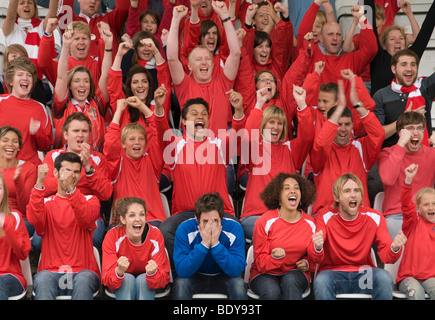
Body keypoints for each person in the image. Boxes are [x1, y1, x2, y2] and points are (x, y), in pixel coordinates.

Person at [155, 96, 245, 269]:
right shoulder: (175, 146)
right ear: (183, 121)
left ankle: (223, 270)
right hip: (186, 214)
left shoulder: (219, 145)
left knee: (237, 228)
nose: (200, 117)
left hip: (219, 213)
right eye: (194, 113)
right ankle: (183, 270)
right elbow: (161, 130)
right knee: (166, 229)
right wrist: (159, 110)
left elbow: (237, 133)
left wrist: (239, 110)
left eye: (204, 114)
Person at [313, 173, 407, 300]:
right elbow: (315, 257)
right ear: (337, 197)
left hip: (364, 274)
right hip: (333, 273)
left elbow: (387, 256)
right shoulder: (324, 215)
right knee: (321, 281)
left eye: (356, 190)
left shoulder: (374, 217)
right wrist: (317, 247)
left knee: (384, 277)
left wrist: (395, 247)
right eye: (347, 191)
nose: (353, 194)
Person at [239, 86, 315, 240]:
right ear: (263, 125)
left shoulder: (290, 150)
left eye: (280, 123)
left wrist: (302, 105)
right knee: (281, 231)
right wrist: (259, 104)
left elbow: (307, 137)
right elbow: (247, 137)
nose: (275, 127)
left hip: (286, 217)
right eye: (271, 122)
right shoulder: (255, 148)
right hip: (255, 217)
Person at [27, 152, 101, 300]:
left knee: (83, 279)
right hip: (50, 271)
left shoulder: (91, 200)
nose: (72, 176)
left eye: (76, 172)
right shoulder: (46, 202)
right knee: (42, 279)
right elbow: (34, 219)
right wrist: (39, 184)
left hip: (83, 271)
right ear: (55, 173)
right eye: (67, 170)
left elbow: (85, 219)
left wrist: (72, 192)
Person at [310, 78, 384, 214]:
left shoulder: (361, 147)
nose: (343, 129)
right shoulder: (322, 150)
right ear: (331, 125)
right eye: (338, 124)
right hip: (328, 214)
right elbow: (320, 144)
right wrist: (338, 109)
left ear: (352, 125)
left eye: (347, 124)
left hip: (359, 214)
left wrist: (357, 105)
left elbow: (378, 134)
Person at [41, 112, 113, 249]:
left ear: (89, 135)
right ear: (66, 135)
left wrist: (88, 168)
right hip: (57, 209)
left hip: (87, 210)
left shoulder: (98, 159)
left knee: (96, 237)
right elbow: (44, 187)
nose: (80, 135)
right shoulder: (53, 156)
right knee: (38, 242)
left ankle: (87, 270)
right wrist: (72, 179)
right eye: (76, 131)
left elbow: (106, 194)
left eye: (84, 131)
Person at [166, 2, 241, 134]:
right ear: (189, 66)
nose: (204, 62)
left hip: (219, 151)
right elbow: (172, 57)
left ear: (213, 64)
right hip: (192, 152)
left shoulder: (223, 84)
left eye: (207, 59)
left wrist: (225, 16)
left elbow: (235, 53)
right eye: (199, 59)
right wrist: (176, 19)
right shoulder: (185, 86)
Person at [248, 173, 324, 300]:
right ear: (278, 195)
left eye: (296, 188)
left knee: (290, 280)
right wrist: (275, 258)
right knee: (272, 291)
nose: (292, 191)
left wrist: (307, 262)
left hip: (295, 273)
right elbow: (260, 262)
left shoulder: (310, 223)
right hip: (264, 274)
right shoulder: (264, 222)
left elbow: (314, 259)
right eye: (287, 188)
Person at [104, 93, 168, 227]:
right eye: (131, 139)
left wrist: (142, 107)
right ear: (123, 144)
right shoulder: (117, 163)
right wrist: (118, 112)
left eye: (141, 139)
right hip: (123, 223)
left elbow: (162, 133)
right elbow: (110, 144)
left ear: (146, 143)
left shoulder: (152, 161)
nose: (136, 142)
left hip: (152, 221)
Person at [50, 21, 113, 151]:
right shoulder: (63, 106)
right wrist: (66, 46)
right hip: (67, 160)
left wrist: (108, 45)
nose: (82, 85)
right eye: (77, 81)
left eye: (86, 81)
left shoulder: (96, 103)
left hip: (95, 159)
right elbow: (61, 77)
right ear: (70, 85)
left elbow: (106, 75)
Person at [172, 192, 247, 300]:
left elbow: (236, 270)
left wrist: (216, 245)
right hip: (194, 276)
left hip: (224, 276)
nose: (210, 226)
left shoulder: (235, 228)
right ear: (197, 219)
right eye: (205, 221)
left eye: (215, 221)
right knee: (180, 285)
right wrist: (204, 245)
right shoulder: (184, 229)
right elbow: (182, 270)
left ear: (222, 218)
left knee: (238, 285)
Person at [377, 111, 435, 239]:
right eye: (410, 128)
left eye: (419, 128)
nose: (415, 132)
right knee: (391, 226)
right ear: (400, 132)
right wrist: (401, 144)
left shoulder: (432, 153)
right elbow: (387, 179)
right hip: (397, 215)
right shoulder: (387, 153)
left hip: (428, 214)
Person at [102, 197, 170, 300]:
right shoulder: (112, 236)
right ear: (123, 219)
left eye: (142, 214)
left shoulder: (155, 235)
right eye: (132, 215)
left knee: (143, 280)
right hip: (121, 283)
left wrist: (153, 274)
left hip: (149, 283)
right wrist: (119, 271)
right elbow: (107, 279)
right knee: (127, 279)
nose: (138, 219)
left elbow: (164, 278)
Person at [373, 49, 435, 149]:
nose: (409, 69)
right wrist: (403, 119)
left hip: (422, 156)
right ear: (394, 69)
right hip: (392, 157)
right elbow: (378, 134)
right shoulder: (381, 95)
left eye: (413, 64)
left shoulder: (424, 87)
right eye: (404, 64)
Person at [0, 56, 53, 166]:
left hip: (29, 169)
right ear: (10, 81)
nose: (25, 78)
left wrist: (38, 132)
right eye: (20, 74)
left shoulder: (40, 108)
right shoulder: (1, 102)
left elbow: (46, 146)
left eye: (29, 75)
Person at [397, 163, 435, 300]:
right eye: (426, 204)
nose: (431, 207)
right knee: (415, 292)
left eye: (434, 204)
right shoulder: (413, 222)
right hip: (408, 278)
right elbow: (406, 206)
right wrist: (408, 181)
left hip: (431, 278)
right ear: (418, 208)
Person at [1, 0, 57, 79]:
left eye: (30, 3)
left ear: (35, 8)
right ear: (16, 8)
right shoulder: (11, 27)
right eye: (22, 3)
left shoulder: (41, 26)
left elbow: (52, 13)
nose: (26, 5)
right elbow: (10, 15)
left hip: (39, 81)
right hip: (15, 80)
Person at [0, 127, 37, 240]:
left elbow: (25, 208)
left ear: (19, 147)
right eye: (5, 140)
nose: (10, 144)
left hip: (20, 218)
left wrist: (18, 184)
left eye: (15, 141)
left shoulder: (29, 168)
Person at [0, 174, 31, 300]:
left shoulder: (14, 217)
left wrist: (6, 226)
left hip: (11, 276)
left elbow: (22, 253)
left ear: (4, 192)